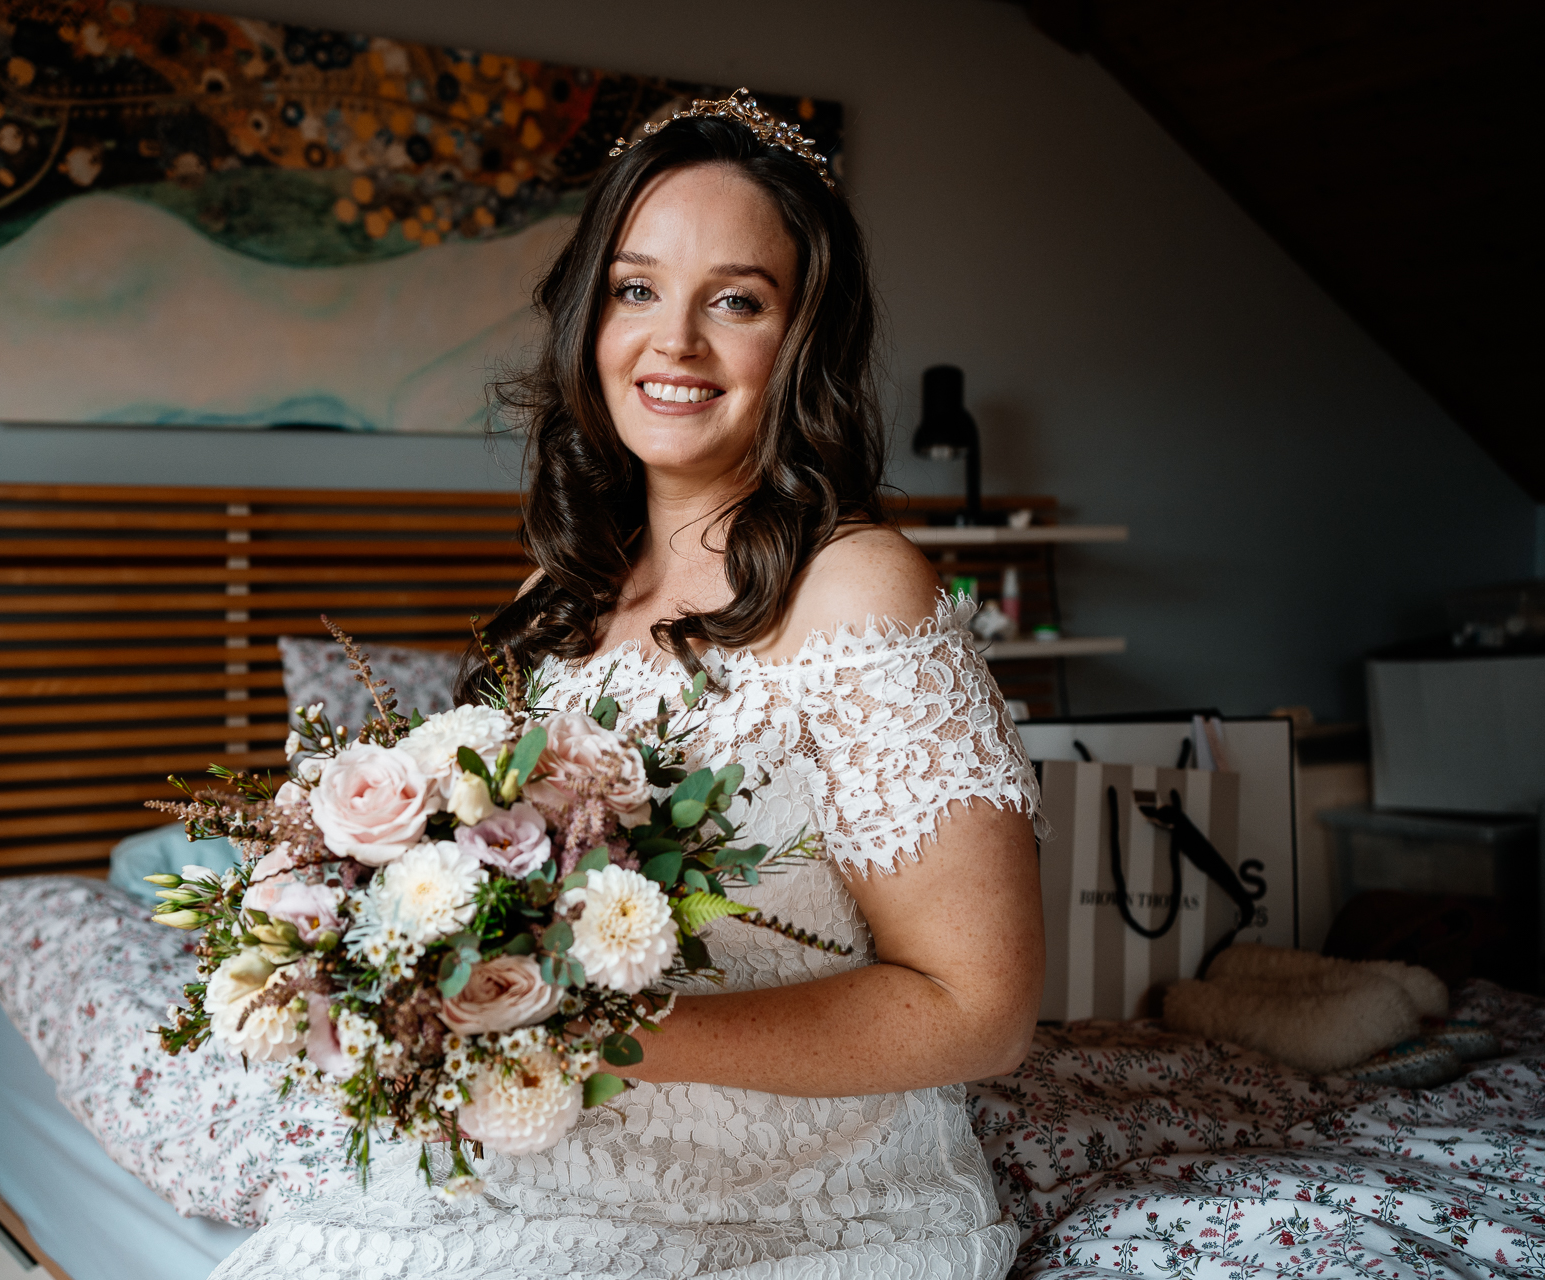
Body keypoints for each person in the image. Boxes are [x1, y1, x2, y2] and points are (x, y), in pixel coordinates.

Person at [213, 91, 1045, 1280]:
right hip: (522, 1163)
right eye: (636, 288)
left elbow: (980, 1006)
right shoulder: (555, 593)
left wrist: (586, 1033)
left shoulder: (861, 586)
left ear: (803, 336)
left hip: (773, 1204)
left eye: (738, 301)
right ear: (590, 315)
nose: (675, 343)